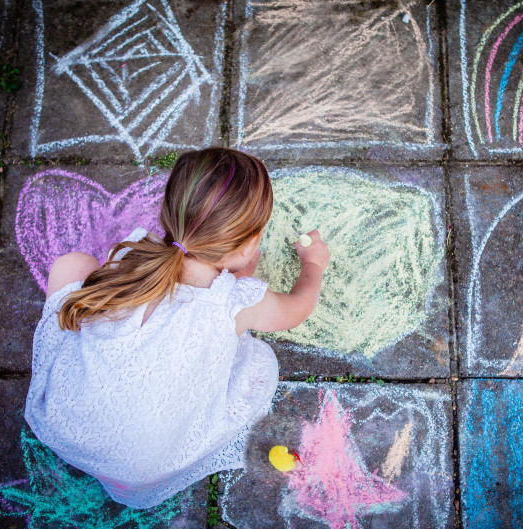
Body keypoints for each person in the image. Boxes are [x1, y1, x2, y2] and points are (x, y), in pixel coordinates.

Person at [24, 147, 330, 509]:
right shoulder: (236, 303)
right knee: (256, 365)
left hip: (64, 426)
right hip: (146, 467)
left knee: (73, 264)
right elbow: (296, 309)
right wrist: (314, 264)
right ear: (250, 245)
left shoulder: (130, 256)